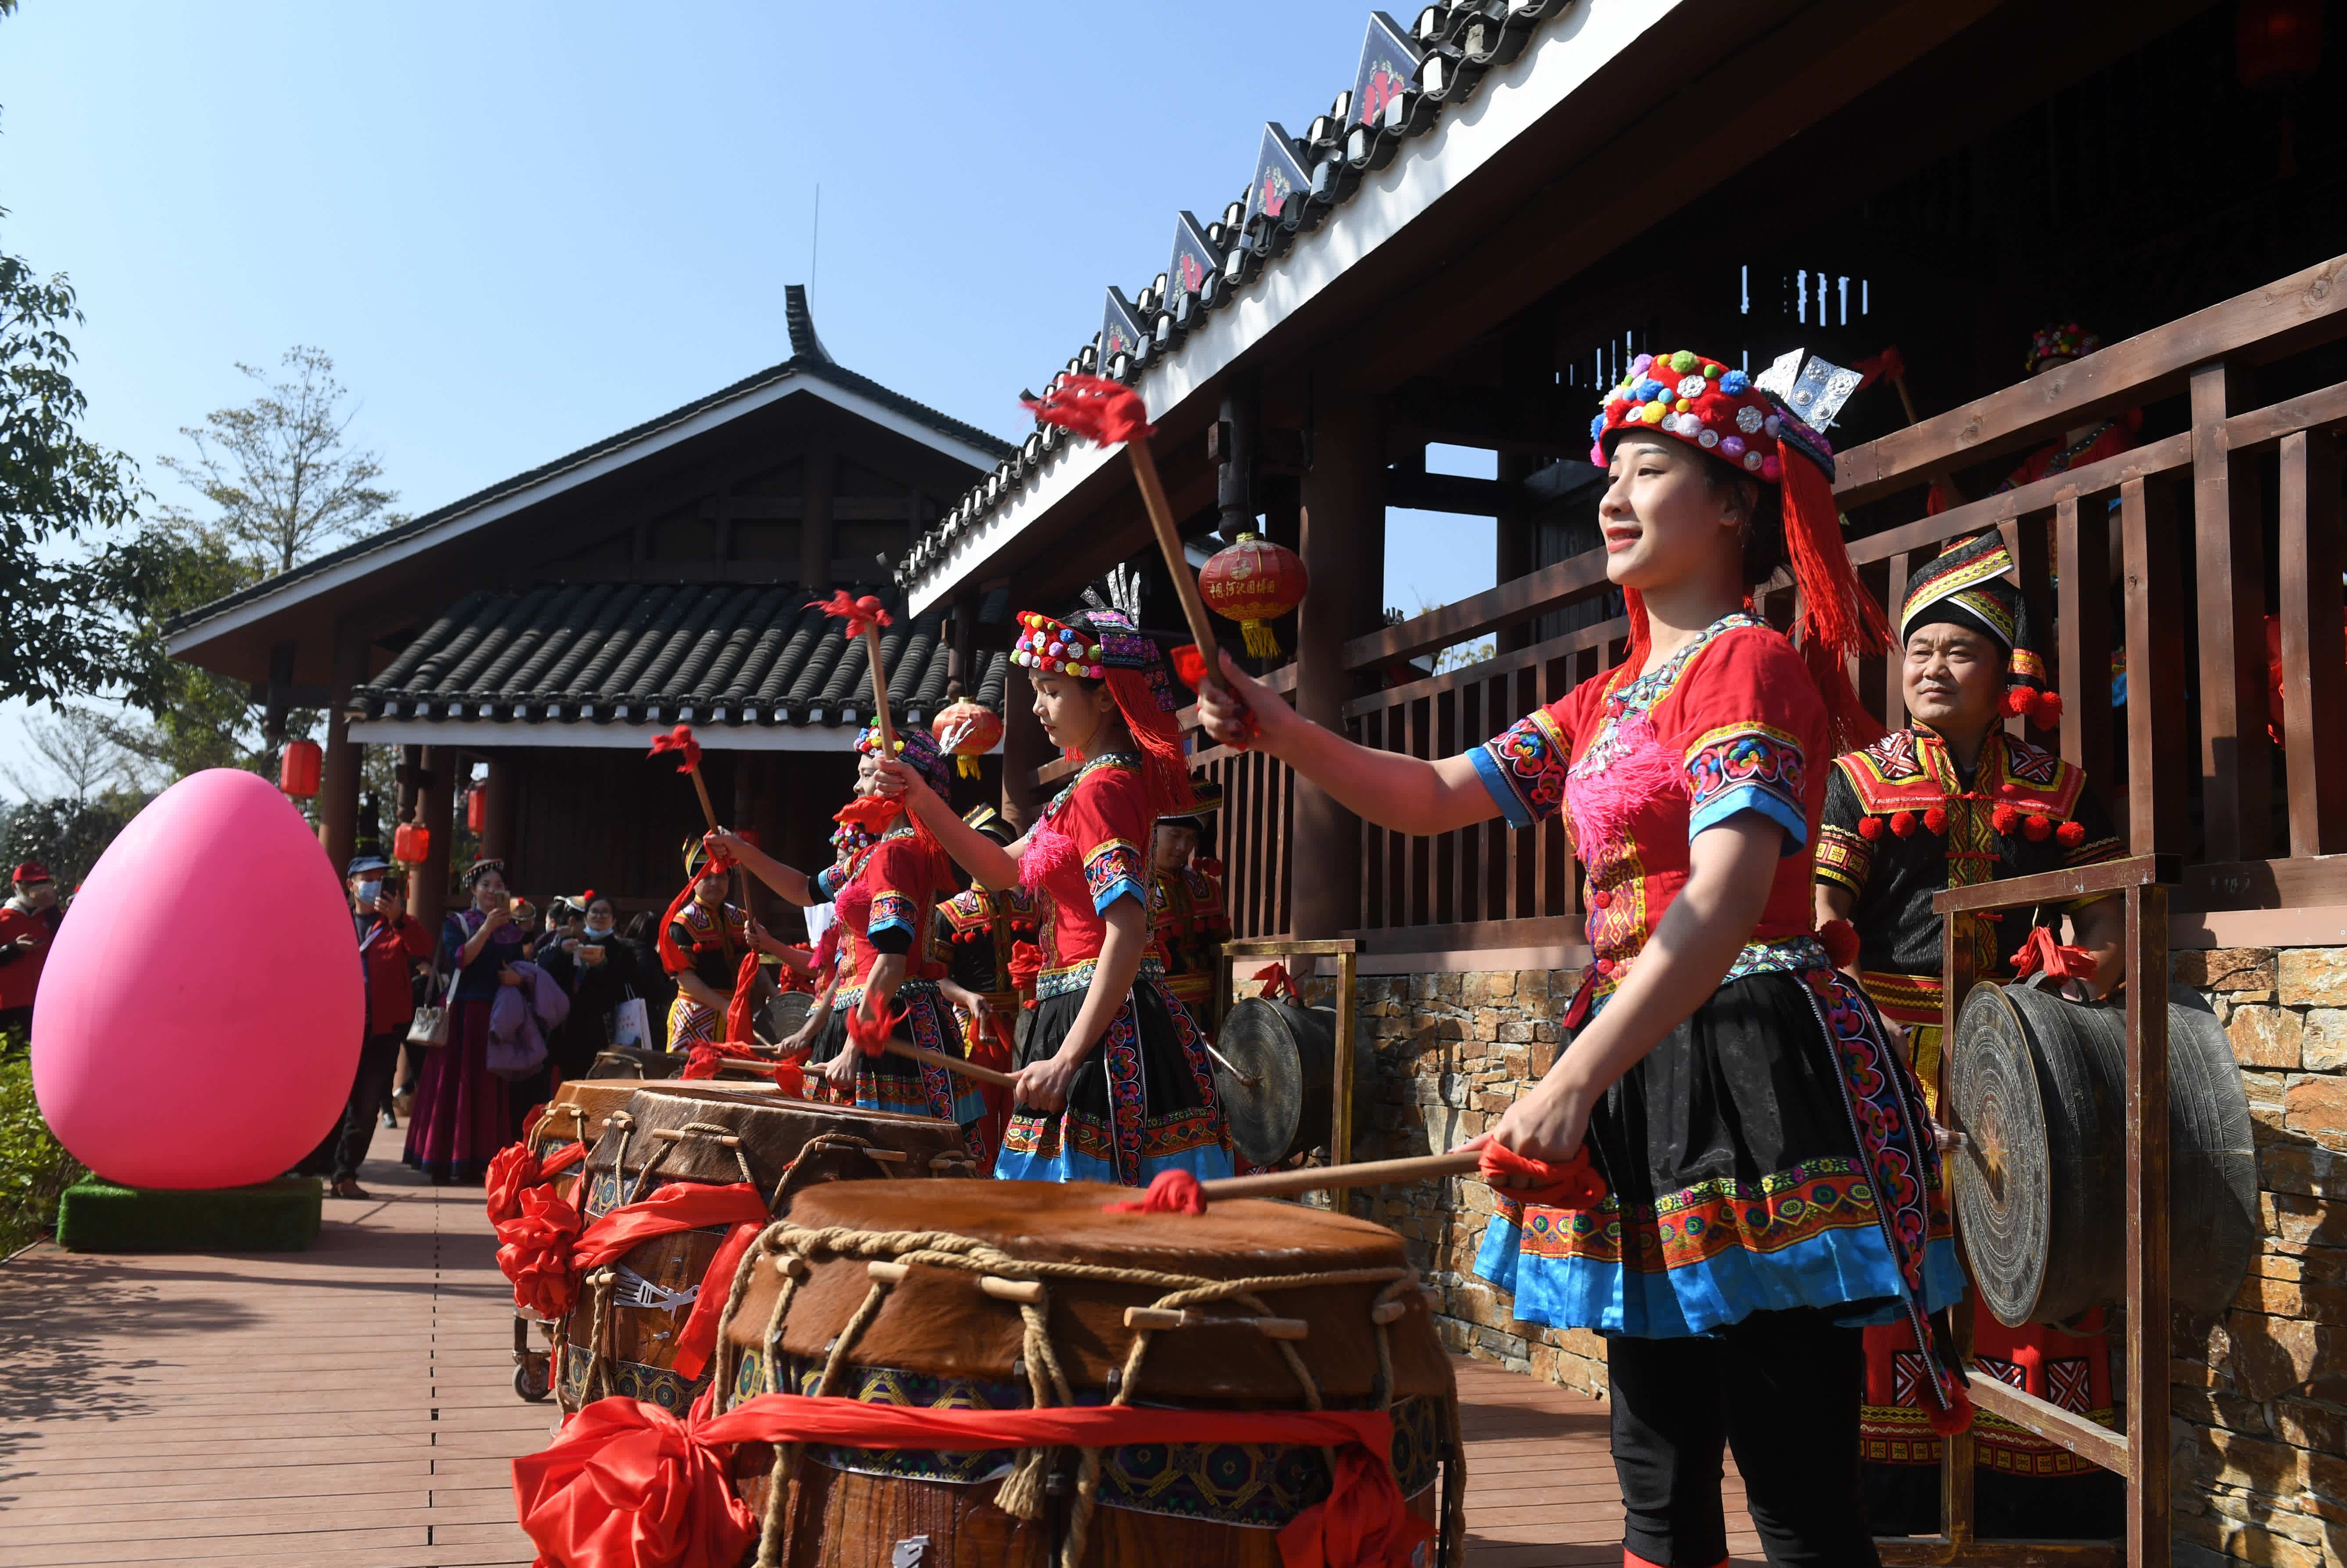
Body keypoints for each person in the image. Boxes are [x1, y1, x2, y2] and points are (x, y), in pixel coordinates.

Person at [1194, 350, 1966, 1567]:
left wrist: (1571, 1078)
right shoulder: (1602, 699)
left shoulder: (1747, 662)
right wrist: (1283, 727)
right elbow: (1433, 792)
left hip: (1753, 1066)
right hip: (1642, 1068)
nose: (1612, 495)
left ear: (1732, 503)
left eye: (1647, 470)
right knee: (1655, 1469)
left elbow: (1725, 899)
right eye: (1610, 474)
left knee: (1796, 1484)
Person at [1813, 531, 2126, 1539]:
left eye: (1958, 652)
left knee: (2032, 1252)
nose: (1932, 669)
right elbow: (1826, 908)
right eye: (1919, 651)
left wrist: (2092, 965)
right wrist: (1842, 1003)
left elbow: (2105, 908)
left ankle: (2037, 1497)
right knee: (1897, 1263)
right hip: (1888, 1052)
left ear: (2004, 673)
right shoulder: (1859, 779)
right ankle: (1893, 1503)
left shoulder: (2059, 786)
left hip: (2024, 1056)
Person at [875, 607, 1233, 1188]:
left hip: (1101, 1022)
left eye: (1052, 691)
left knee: (1076, 1207)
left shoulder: (1103, 790)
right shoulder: (1089, 787)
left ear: (1105, 698)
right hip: (1090, 1009)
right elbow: (998, 869)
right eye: (1038, 691)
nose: (1038, 707)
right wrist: (921, 797)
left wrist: (1068, 1057)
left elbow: (1127, 931)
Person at [711, 724, 989, 1161]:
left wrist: (852, 1049)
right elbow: (804, 889)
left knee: (876, 1163)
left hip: (886, 1023)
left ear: (894, 782)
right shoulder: (872, 854)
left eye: (864, 774)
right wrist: (741, 852)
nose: (856, 786)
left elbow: (891, 963)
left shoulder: (896, 854)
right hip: (868, 1016)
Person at [301, 856, 431, 1198]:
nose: (375, 885)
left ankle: (345, 1173)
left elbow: (424, 948)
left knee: (367, 1104)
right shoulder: (334, 922)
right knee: (325, 1103)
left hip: (382, 1031)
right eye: (368, 878)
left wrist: (399, 918)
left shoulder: (395, 925)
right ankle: (312, 1166)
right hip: (337, 1032)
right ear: (351, 885)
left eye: (381, 879)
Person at [405, 858, 526, 1183]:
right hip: (462, 1013)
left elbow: (522, 968)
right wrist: (486, 928)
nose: (492, 891)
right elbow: (460, 959)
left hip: (497, 1015)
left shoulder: (514, 930)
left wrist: (518, 978)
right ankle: (443, 1159)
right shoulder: (457, 922)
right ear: (473, 890)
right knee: (454, 1084)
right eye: (486, 885)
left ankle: (484, 1159)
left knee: (487, 1086)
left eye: (499, 886)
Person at [933, 804, 1042, 1166]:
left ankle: (1016, 1178)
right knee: (977, 1114)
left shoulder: (1031, 909)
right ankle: (976, 1180)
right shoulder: (949, 913)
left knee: (1022, 1108)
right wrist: (968, 997)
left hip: (1024, 1024)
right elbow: (938, 979)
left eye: (998, 849)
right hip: (974, 1028)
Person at [1146, 782, 1229, 1032]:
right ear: (1152, 833)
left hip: (1207, 1009)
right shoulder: (1135, 887)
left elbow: (1220, 953)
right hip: (1154, 1010)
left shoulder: (1206, 887)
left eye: (1191, 838)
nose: (1183, 847)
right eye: (1175, 836)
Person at [0, 862, 63, 1037]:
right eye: (30, 884)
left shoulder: (53, 915)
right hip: (8, 1006)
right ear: (16, 887)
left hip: (47, 1003)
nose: (38, 889)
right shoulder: (4, 917)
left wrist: (52, 909)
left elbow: (70, 948)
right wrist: (14, 949)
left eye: (43, 883)